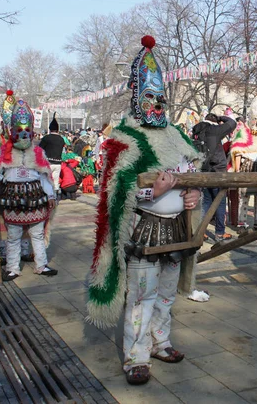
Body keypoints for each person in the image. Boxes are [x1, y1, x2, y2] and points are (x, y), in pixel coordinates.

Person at [87, 36, 204, 386]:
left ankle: (159, 342)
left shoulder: (177, 136)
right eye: (149, 98)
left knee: (166, 294)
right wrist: (157, 189)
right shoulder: (123, 137)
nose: (156, 105)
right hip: (142, 230)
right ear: (138, 98)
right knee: (141, 297)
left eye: (161, 99)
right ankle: (135, 356)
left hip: (175, 231)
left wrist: (193, 193)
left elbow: (192, 173)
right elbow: (118, 190)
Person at [0, 98, 58, 281]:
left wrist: (50, 195)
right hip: (12, 198)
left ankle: (41, 265)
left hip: (36, 198)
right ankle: (12, 268)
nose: (24, 134)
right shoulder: (4, 152)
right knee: (13, 235)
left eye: (27, 130)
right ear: (12, 131)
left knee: (37, 234)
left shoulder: (38, 153)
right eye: (20, 130)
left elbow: (44, 176)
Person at [192, 112, 236, 241]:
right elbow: (232, 123)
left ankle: (201, 231)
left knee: (206, 202)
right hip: (218, 171)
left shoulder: (196, 131)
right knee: (220, 202)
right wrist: (221, 118)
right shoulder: (214, 129)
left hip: (204, 170)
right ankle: (220, 233)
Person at [229, 116, 257, 232]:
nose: (256, 122)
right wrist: (237, 171)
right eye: (254, 118)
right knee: (244, 194)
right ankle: (242, 223)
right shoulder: (243, 132)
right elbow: (237, 151)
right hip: (247, 166)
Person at [39, 113, 65, 199]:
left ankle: (48, 197)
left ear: (50, 129)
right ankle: (55, 196)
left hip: (48, 163)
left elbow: (39, 149)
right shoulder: (61, 139)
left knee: (46, 181)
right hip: (58, 163)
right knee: (56, 181)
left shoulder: (46, 138)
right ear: (57, 129)